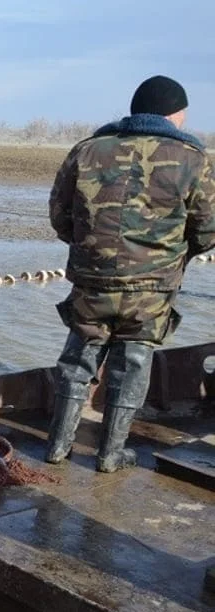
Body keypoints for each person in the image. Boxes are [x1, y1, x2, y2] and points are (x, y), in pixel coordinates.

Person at [46, 75, 215, 472]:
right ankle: (109, 455)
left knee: (79, 358)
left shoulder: (86, 151)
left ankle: (56, 446)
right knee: (134, 361)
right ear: (174, 113)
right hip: (153, 286)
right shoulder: (193, 158)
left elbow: (60, 216)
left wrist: (93, 252)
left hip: (93, 279)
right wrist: (172, 255)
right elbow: (208, 229)